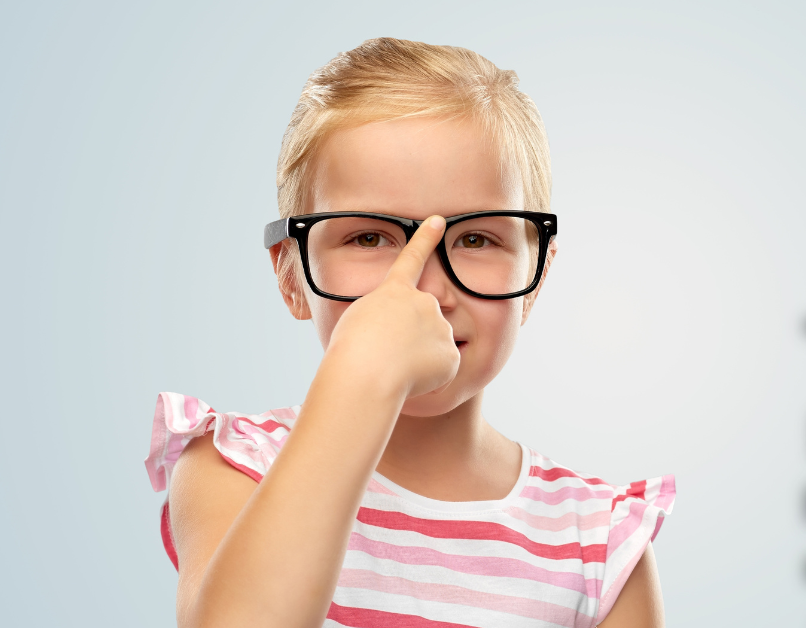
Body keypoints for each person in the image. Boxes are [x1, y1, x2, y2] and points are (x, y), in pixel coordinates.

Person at [143, 37, 674, 628]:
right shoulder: (235, 465)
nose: (423, 288)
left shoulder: (598, 543)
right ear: (291, 275)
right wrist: (360, 379)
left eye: (476, 239)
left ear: (537, 273)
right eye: (369, 238)